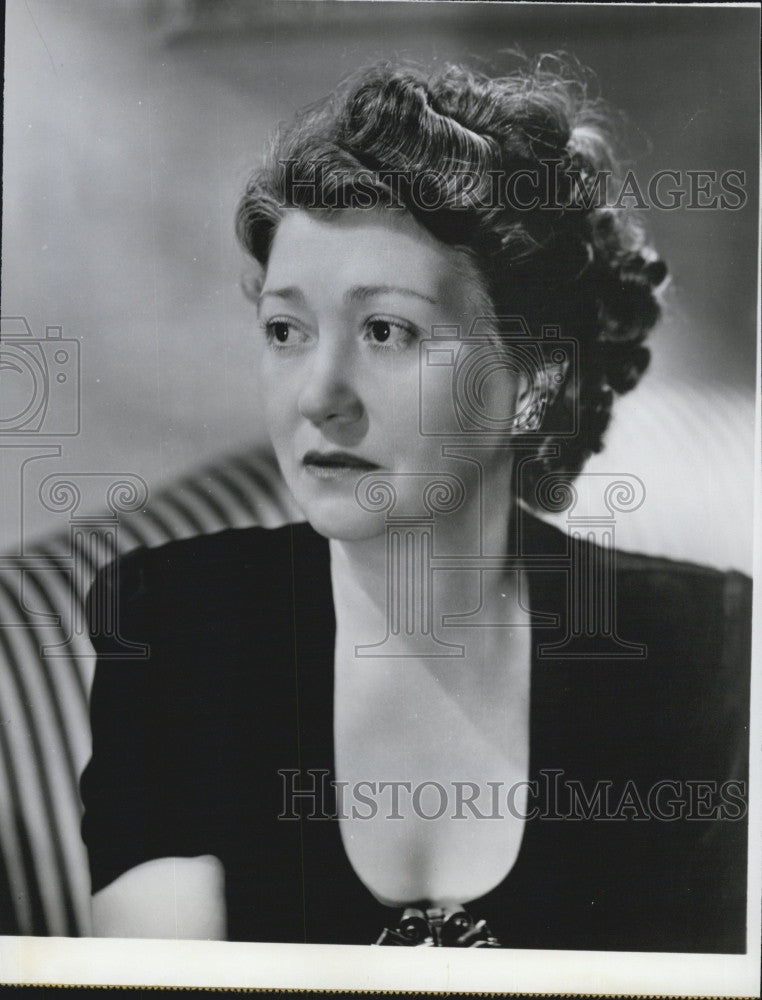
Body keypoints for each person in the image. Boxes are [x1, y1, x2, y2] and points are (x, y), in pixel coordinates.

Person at [80, 58, 751, 951]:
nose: (320, 394)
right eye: (286, 330)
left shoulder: (703, 648)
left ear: (531, 383)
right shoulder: (178, 622)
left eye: (386, 330)